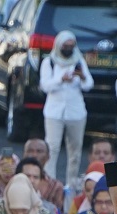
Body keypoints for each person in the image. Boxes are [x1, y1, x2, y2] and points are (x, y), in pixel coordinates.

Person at [40, 31, 94, 185]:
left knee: (75, 152)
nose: (69, 48)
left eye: (72, 46)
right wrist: (61, 79)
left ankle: (70, 185)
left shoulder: (79, 61)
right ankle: (50, 183)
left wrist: (81, 76)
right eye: (66, 46)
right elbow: (45, 85)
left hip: (76, 113)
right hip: (54, 112)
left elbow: (89, 84)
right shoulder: (49, 62)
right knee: (52, 148)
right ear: (59, 46)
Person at [24, 138, 66, 210]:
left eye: (39, 151)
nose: (34, 155)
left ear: (48, 157)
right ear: (24, 154)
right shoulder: (12, 180)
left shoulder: (56, 186)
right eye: (30, 151)